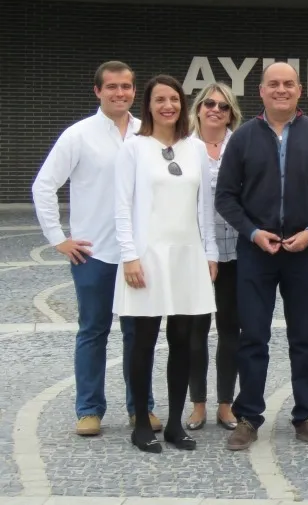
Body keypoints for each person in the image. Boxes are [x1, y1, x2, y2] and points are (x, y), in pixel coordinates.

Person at [216, 62, 308, 451]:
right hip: (256, 253)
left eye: (289, 84)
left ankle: (307, 415)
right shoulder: (242, 138)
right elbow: (225, 197)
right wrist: (253, 233)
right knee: (252, 336)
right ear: (262, 92)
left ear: (300, 91)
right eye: (274, 84)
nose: (281, 90)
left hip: (304, 253)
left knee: (305, 337)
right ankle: (248, 417)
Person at [32, 60, 157, 437]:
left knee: (139, 334)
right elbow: (43, 185)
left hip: (137, 253)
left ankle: (141, 408)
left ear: (135, 91)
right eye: (112, 87)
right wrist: (58, 238)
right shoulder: (78, 135)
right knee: (93, 331)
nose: (120, 93)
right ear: (97, 91)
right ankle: (89, 410)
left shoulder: (147, 133)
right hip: (94, 254)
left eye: (127, 87)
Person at [113, 74, 218, 453]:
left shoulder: (195, 149)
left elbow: (205, 208)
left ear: (182, 103)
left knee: (184, 342)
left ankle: (175, 424)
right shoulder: (133, 148)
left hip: (187, 255)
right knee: (142, 342)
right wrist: (129, 256)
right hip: (147, 256)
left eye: (174, 99)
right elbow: (121, 207)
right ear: (149, 105)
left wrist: (210, 254)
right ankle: (142, 422)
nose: (168, 106)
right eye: (160, 99)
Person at [185, 82, 243, 431]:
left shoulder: (241, 144)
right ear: (199, 109)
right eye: (209, 104)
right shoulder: (183, 147)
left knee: (230, 331)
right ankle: (197, 405)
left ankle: (225, 404)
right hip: (195, 253)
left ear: (231, 112)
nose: (215, 110)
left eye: (223, 106)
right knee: (195, 331)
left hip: (236, 252)